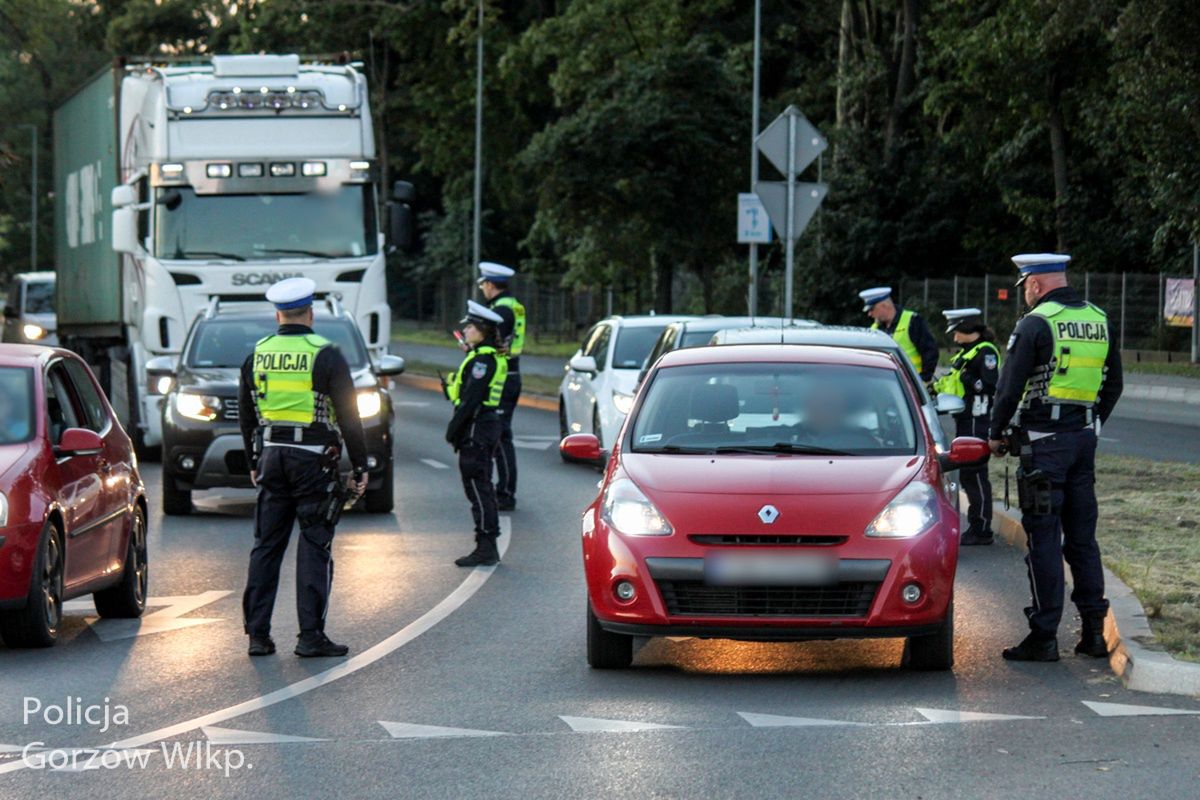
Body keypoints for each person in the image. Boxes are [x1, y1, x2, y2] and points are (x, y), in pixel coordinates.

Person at [987, 253, 1123, 663]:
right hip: (1083, 442)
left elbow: (1010, 388)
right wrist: (1089, 424)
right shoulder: (1100, 319)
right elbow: (1113, 385)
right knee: (1083, 540)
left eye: (1025, 286)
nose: (1025, 294)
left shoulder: (1036, 323)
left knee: (1044, 539)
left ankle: (1044, 636)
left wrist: (995, 433)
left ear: (1035, 284)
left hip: (1044, 445)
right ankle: (1094, 635)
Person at [239, 277, 368, 658]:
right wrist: (360, 465)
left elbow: (247, 416)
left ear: (277, 314)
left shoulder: (258, 353)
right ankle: (310, 636)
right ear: (310, 313)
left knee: (266, 546)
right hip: (313, 460)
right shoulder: (325, 354)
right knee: (314, 544)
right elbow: (349, 414)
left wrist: (252, 462)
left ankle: (258, 636)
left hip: (271, 457)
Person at [444, 300, 509, 567]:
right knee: (480, 485)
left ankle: (486, 546)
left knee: (478, 487)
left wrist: (453, 430)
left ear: (482, 330)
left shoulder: (483, 360)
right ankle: (486, 544)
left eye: (470, 326)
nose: (466, 330)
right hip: (484, 425)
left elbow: (471, 400)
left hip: (478, 427)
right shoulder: (484, 356)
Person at [933, 308, 1001, 546]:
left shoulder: (986, 353)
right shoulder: (968, 353)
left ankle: (982, 529)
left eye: (956, 332)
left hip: (977, 422)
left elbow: (990, 385)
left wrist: (967, 379)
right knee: (969, 476)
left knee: (975, 476)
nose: (953, 338)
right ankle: (977, 526)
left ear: (966, 329)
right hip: (966, 420)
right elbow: (951, 382)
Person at [477, 262, 525, 511]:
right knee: (501, 435)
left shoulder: (501, 311)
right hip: (511, 373)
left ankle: (505, 493)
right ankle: (504, 490)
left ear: (490, 284)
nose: (483, 288)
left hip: (504, 377)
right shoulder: (512, 305)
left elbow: (494, 343)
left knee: (501, 436)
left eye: (484, 284)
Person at [859, 287, 939, 384]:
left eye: (871, 309)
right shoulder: (874, 328)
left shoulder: (912, 321)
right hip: (883, 383)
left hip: (910, 385)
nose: (869, 314)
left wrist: (923, 379)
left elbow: (930, 351)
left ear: (884, 306)